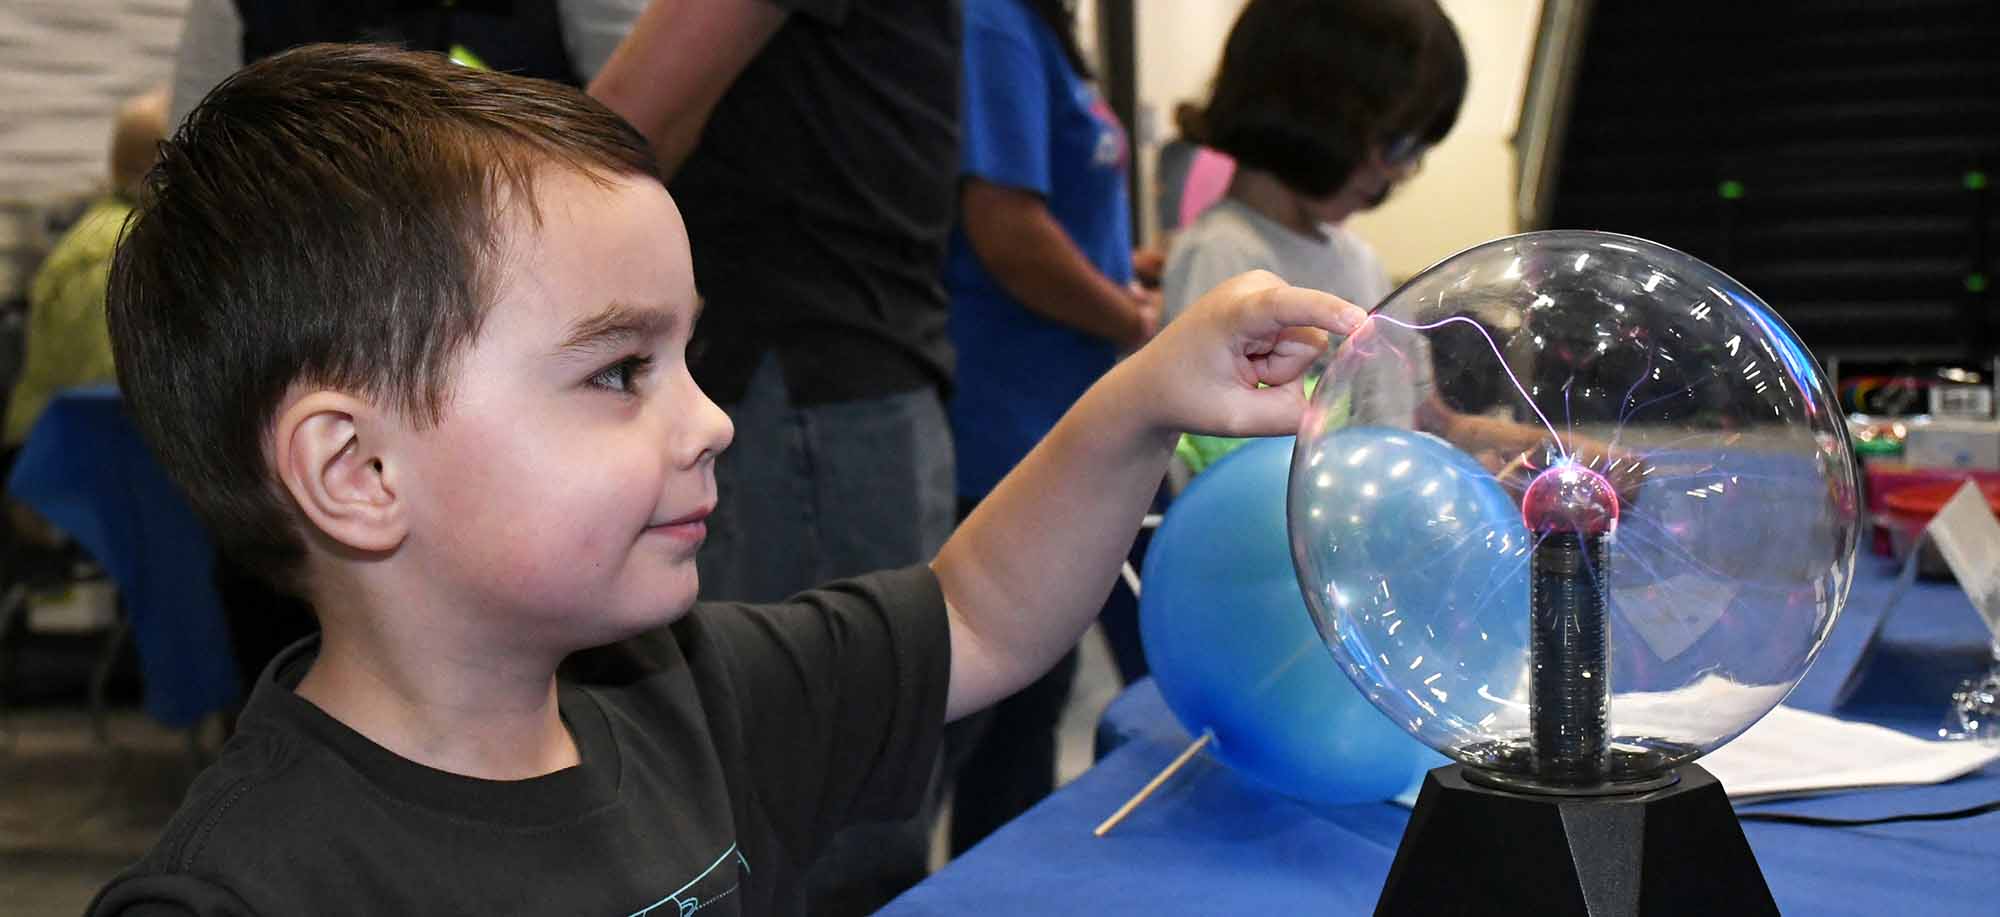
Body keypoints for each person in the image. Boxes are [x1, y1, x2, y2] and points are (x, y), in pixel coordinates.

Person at [84, 45, 1365, 915]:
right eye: (617, 372)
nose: (708, 422)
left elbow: (975, 613)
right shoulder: (244, 892)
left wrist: (1138, 398)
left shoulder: (690, 695)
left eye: (687, 355)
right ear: (358, 470)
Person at [588, 4, 961, 908]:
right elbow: (598, 150)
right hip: (809, 379)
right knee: (827, 800)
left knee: (869, 768)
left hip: (850, 373)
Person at [943, 0, 1156, 854]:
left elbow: (1054, 220)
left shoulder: (1045, 37)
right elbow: (1007, 230)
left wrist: (1122, 275)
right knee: (1001, 715)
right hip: (1005, 425)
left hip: (1057, 414)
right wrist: (1136, 325)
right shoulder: (993, 19)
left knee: (1034, 706)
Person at [3, 87, 167, 448]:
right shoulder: (120, 251)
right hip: (60, 464)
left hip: (65, 450)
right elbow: (111, 390)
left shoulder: (107, 226)